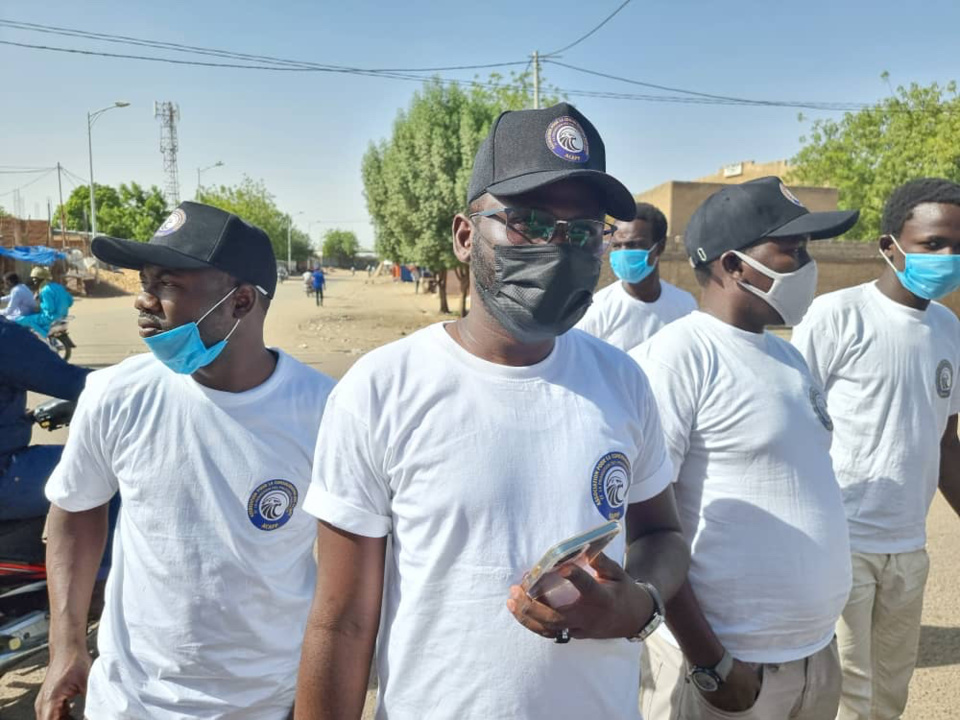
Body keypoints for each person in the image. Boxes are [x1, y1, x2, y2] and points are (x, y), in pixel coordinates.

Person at [295, 103, 690, 720]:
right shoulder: (382, 389)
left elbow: (661, 534)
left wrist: (637, 602)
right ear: (464, 235)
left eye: (583, 231)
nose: (557, 248)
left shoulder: (622, 381)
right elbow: (341, 623)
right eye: (528, 223)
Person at [36, 201, 335, 720]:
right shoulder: (115, 394)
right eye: (143, 281)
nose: (142, 301)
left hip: (265, 704)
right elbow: (76, 510)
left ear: (241, 301)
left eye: (167, 285)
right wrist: (65, 645)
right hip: (130, 703)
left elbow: (347, 581)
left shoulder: (327, 413)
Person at [632, 177, 860, 720]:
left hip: (812, 659)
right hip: (726, 671)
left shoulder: (787, 358)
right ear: (734, 265)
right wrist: (711, 662)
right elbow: (642, 528)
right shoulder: (676, 359)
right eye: (793, 251)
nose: (808, 267)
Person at [790, 178, 960, 720]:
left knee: (891, 693)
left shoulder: (948, 327)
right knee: (846, 695)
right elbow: (793, 429)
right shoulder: (837, 316)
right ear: (891, 245)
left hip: (909, 546)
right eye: (933, 243)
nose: (948, 256)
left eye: (958, 245)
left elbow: (947, 443)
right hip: (844, 540)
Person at [0, 316, 89, 520]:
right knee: (109, 470)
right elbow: (75, 382)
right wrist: (142, 381)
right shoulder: (6, 336)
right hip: (6, 474)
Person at [576, 202, 696, 350]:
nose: (623, 253)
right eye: (617, 246)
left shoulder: (685, 305)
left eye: (633, 245)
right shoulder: (597, 309)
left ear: (660, 247)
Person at [15, 266, 73, 338]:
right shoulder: (59, 286)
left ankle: (44, 334)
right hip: (63, 316)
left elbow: (50, 308)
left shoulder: (45, 290)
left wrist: (39, 304)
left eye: (35, 279)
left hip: (50, 317)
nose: (33, 281)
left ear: (42, 279)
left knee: (20, 320)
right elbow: (70, 301)